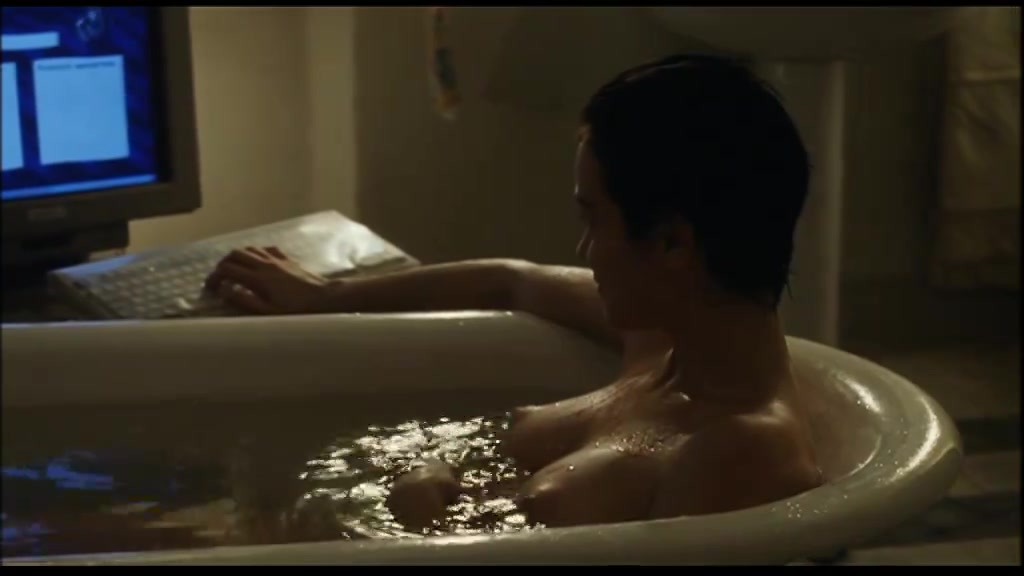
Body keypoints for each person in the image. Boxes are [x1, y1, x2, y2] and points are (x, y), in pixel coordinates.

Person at [205, 53, 823, 532]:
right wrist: (326, 298)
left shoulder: (743, 451)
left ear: (672, 244)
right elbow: (509, 279)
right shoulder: (660, 340)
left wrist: (430, 523)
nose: (584, 249)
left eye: (593, 219)